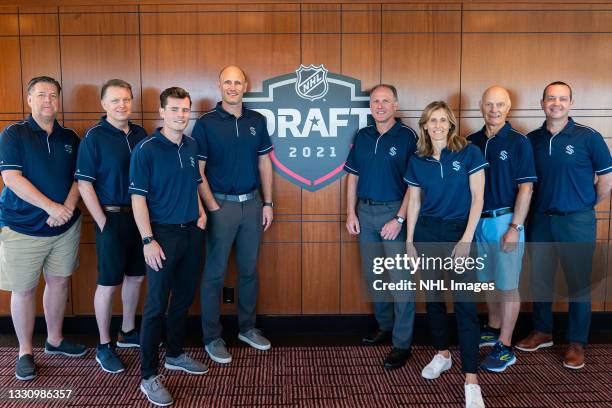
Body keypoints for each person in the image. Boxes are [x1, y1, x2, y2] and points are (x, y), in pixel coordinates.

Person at [516, 81, 612, 370]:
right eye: (550, 98)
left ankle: (576, 342)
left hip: (577, 221)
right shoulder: (531, 140)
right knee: (540, 279)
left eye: (562, 98)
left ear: (570, 103)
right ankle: (543, 331)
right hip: (541, 220)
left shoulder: (589, 137)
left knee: (579, 284)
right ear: (541, 102)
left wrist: (584, 206)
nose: (556, 103)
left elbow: (606, 181)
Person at [0, 76, 85, 381]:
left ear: (59, 100)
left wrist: (67, 209)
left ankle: (55, 340)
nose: (47, 100)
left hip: (64, 227)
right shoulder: (14, 134)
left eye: (52, 95)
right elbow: (12, 179)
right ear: (29, 100)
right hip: (22, 228)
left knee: (59, 283)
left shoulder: (70, 137)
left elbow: (80, 178)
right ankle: (25, 351)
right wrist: (52, 208)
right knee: (23, 290)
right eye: (41, 95)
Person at [404, 101, 487, 408]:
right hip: (427, 233)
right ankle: (442, 354)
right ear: (424, 125)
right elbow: (414, 202)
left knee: (465, 306)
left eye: (443, 120)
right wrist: (410, 241)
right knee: (435, 300)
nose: (437, 125)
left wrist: (466, 239)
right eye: (432, 120)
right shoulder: (418, 159)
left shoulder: (469, 153)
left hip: (458, 233)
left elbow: (478, 198)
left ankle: (471, 380)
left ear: (451, 124)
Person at [130, 87, 208, 406]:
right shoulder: (146, 149)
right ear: (161, 112)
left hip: (191, 233)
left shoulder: (191, 145)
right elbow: (138, 198)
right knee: (155, 306)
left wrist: (202, 215)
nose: (180, 115)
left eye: (185, 109)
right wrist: (148, 240)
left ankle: (174, 354)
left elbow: (194, 183)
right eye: (174, 109)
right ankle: (148, 375)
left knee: (183, 299)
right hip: (160, 236)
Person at [193, 66, 274, 364]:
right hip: (221, 206)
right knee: (214, 274)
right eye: (227, 81)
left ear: (245, 85)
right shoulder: (206, 124)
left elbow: (265, 163)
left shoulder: (257, 120)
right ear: (219, 85)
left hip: (252, 205)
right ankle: (212, 337)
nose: (232, 86)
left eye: (237, 82)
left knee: (249, 270)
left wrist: (268, 203)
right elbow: (198, 172)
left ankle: (247, 328)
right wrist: (212, 206)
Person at [76, 79, 147, 373]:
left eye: (126, 99)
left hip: (140, 217)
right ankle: (104, 345)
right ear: (103, 105)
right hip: (111, 217)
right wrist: (103, 222)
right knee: (108, 284)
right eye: (115, 100)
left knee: (136, 277)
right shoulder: (94, 137)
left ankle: (128, 331)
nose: (122, 105)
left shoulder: (141, 133)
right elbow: (84, 183)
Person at [344, 84, 417, 370]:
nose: (380, 105)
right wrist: (350, 213)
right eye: (375, 101)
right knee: (375, 276)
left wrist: (399, 218)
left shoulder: (408, 136)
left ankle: (402, 344)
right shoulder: (362, 136)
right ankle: (385, 326)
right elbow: (352, 177)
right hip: (365, 212)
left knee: (401, 282)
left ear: (396, 105)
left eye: (386, 101)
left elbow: (415, 183)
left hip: (393, 214)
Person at [467, 86, 536, 372]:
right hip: (478, 222)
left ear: (508, 108)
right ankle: (494, 328)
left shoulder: (519, 142)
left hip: (505, 221)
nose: (494, 110)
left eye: (500, 104)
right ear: (480, 106)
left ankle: (505, 346)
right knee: (490, 281)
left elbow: (526, 188)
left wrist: (515, 227)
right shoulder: (470, 142)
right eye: (489, 104)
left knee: (507, 285)